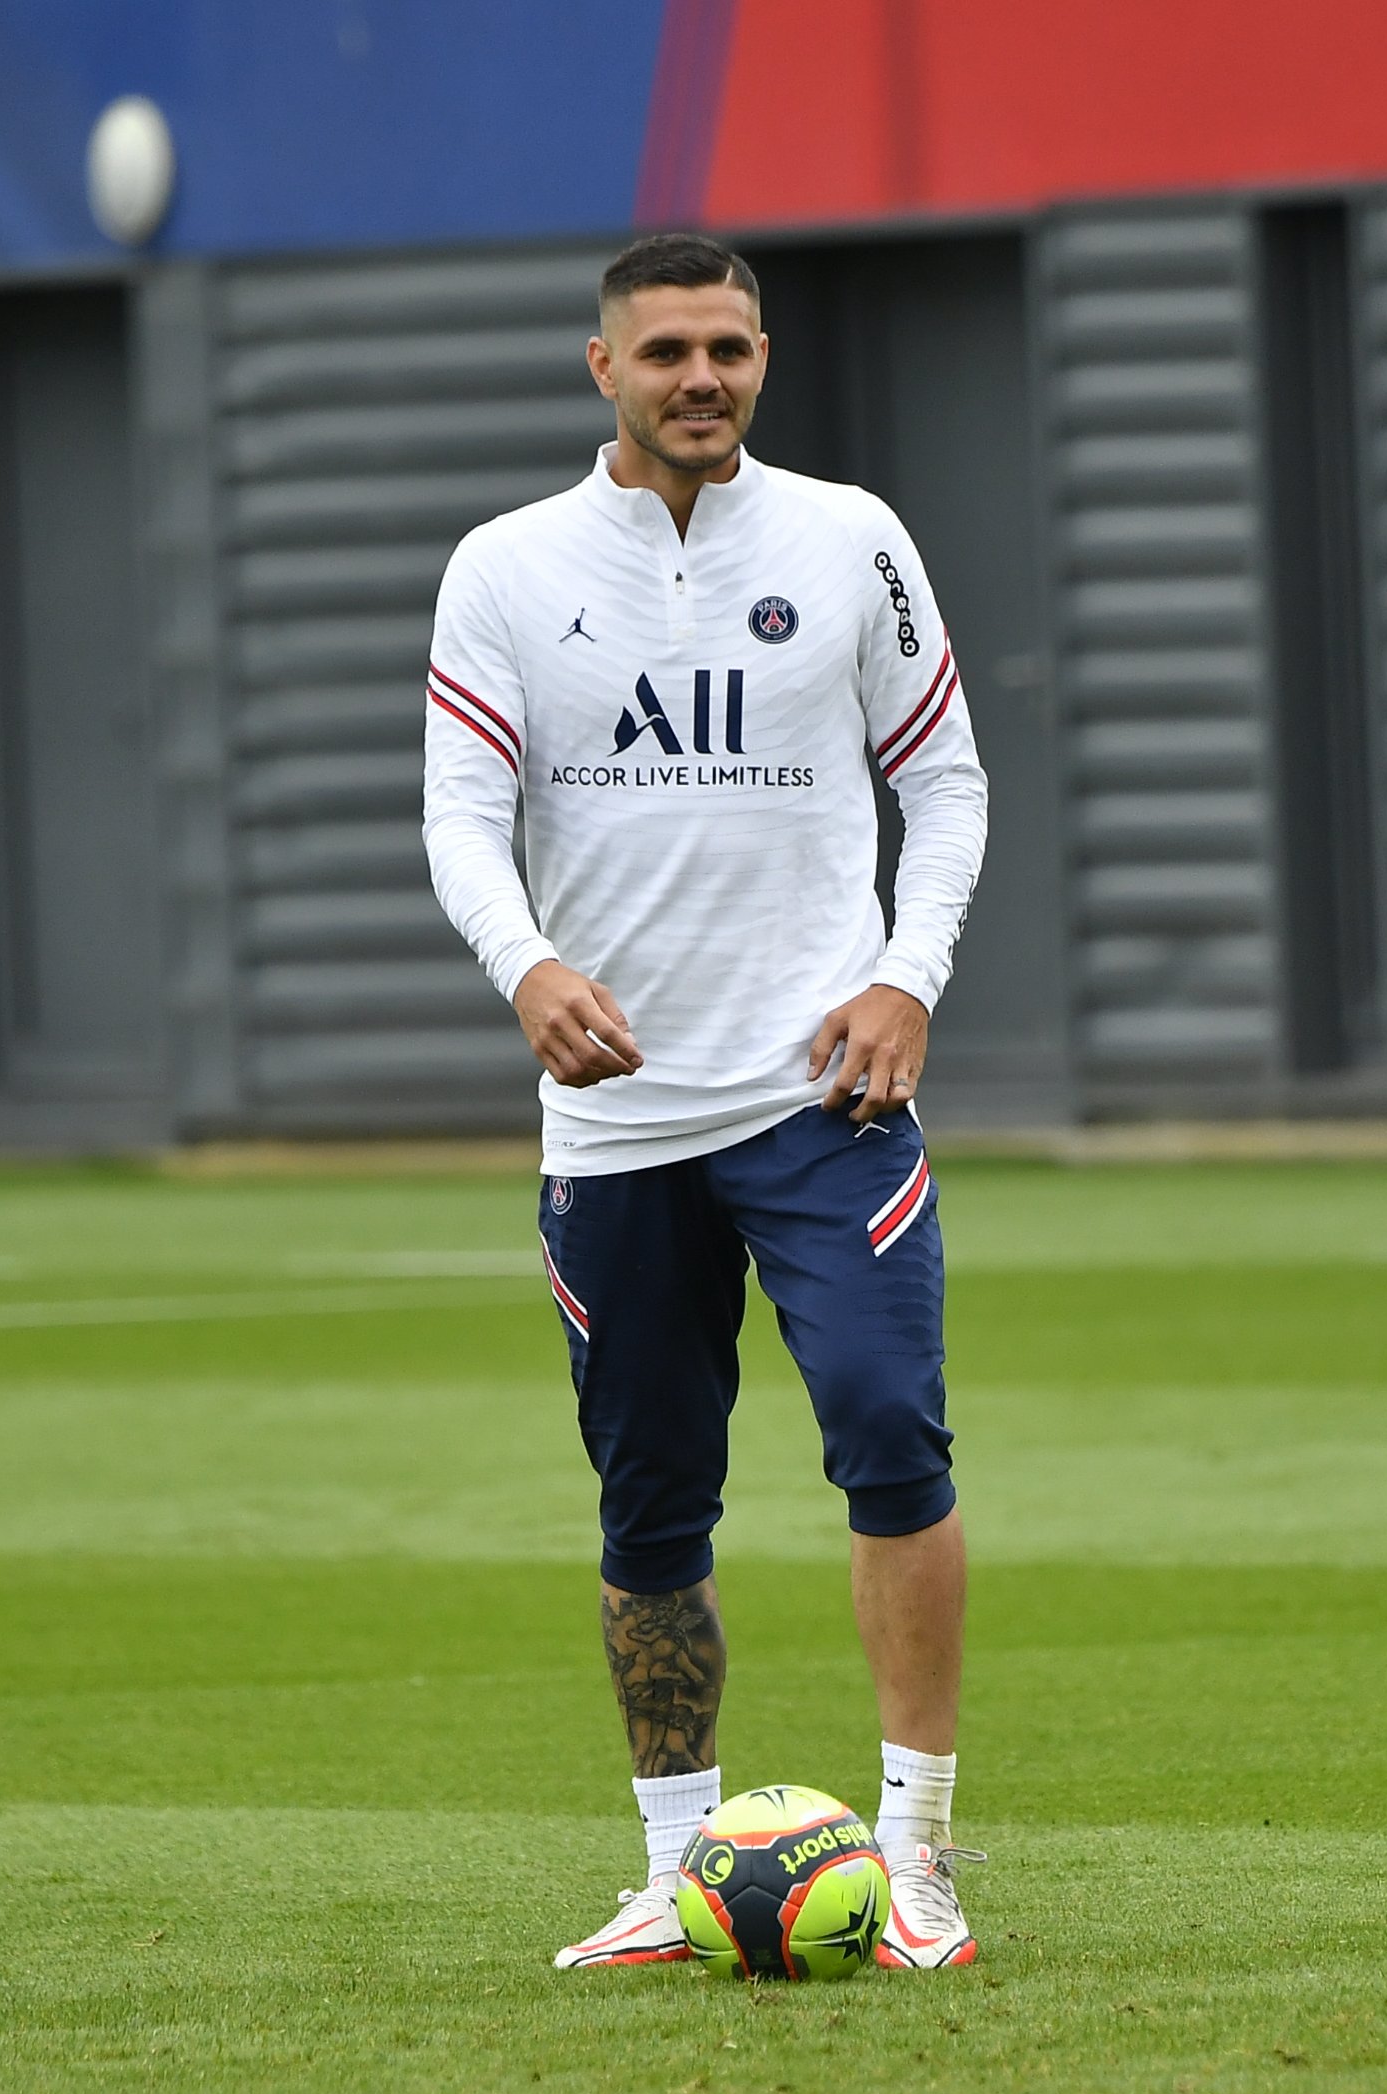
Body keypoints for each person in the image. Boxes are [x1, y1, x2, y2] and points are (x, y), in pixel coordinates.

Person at [421, 231, 993, 1972]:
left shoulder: (853, 539)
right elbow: (459, 813)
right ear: (602, 366)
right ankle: (676, 1872)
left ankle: (920, 1866)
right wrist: (526, 965)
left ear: (764, 356)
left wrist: (908, 977)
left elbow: (947, 781)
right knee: (649, 1507)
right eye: (665, 349)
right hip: (615, 1128)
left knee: (894, 1440)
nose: (702, 378)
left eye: (729, 347)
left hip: (822, 1099)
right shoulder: (507, 569)